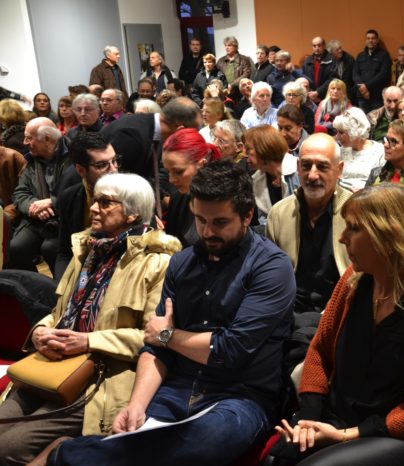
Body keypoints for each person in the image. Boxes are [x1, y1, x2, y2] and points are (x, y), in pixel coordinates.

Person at [45, 160, 296, 466]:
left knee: (208, 443)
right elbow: (155, 349)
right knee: (137, 429)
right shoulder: (182, 262)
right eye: (200, 219)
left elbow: (228, 350)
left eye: (219, 222)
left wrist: (167, 335)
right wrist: (136, 404)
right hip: (177, 387)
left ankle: (66, 455)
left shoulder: (271, 267)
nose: (206, 231)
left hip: (239, 397)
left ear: (247, 216)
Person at [274, 183, 404, 466]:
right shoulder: (353, 282)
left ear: (389, 235)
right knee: (277, 458)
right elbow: (320, 350)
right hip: (341, 419)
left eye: (354, 229)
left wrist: (347, 435)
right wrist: (308, 417)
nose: (343, 238)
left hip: (401, 433)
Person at [0, 173, 180, 465]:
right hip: (52, 364)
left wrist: (89, 341)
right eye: (95, 200)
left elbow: (155, 338)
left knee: (8, 447)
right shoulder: (86, 249)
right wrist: (41, 331)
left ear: (133, 213)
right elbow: (59, 313)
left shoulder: (159, 262)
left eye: (105, 202)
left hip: (102, 377)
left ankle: (64, 449)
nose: (94, 208)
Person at [266, 133, 351, 317]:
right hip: (287, 312)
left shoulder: (357, 213)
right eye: (306, 166)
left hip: (339, 313)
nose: (312, 175)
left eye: (322, 166)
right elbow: (270, 277)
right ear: (297, 167)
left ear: (340, 169)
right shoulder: (279, 214)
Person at [8, 118, 77, 274]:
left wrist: (51, 203)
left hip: (64, 218)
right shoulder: (32, 160)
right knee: (17, 247)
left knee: (51, 248)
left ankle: (59, 290)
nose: (24, 142)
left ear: (47, 139)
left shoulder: (75, 157)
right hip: (36, 218)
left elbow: (80, 191)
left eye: (29, 137)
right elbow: (20, 193)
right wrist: (34, 206)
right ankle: (33, 290)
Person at [54, 132, 119, 281]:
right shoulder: (68, 197)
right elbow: (64, 252)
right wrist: (62, 285)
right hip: (84, 267)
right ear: (80, 170)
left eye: (115, 161)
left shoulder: (134, 193)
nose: (114, 170)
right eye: (102, 165)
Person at [162, 128, 222, 248]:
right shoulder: (178, 197)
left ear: (202, 164)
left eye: (178, 172)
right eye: (168, 172)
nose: (171, 180)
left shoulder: (225, 199)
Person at [242, 124, 297, 225]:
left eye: (248, 149)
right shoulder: (256, 179)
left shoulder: (298, 171)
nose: (244, 154)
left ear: (264, 148)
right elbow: (263, 218)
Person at [333, 107, 384, 192]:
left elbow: (383, 184)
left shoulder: (379, 151)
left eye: (341, 132)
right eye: (337, 132)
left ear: (355, 131)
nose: (337, 137)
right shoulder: (340, 151)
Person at [353, 29, 392, 112]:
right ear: (365, 40)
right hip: (362, 96)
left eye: (373, 38)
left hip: (377, 96)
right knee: (363, 122)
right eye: (368, 38)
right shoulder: (360, 56)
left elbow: (383, 74)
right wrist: (362, 88)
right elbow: (355, 73)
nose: (370, 40)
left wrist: (366, 86)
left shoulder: (384, 55)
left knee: (376, 122)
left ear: (377, 40)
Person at [303, 37, 334, 104]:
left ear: (324, 46)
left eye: (319, 45)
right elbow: (304, 78)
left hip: (326, 97)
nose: (317, 48)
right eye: (314, 46)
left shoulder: (332, 60)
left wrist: (317, 93)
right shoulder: (308, 60)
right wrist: (311, 94)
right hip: (310, 97)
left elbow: (332, 80)